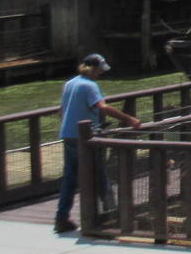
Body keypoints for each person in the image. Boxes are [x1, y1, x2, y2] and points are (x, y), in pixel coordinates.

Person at [54, 54, 141, 234]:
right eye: (100, 70)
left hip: (68, 134)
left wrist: (68, 126)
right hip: (86, 138)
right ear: (92, 69)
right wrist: (129, 119)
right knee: (101, 176)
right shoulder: (90, 86)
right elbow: (102, 107)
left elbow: (61, 111)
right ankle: (113, 216)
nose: (101, 74)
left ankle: (61, 219)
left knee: (70, 178)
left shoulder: (70, 83)